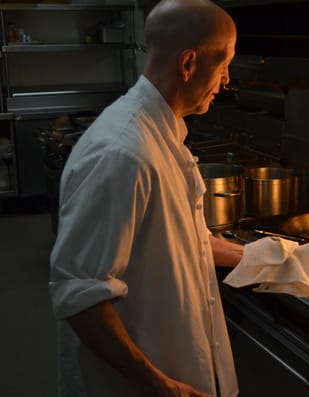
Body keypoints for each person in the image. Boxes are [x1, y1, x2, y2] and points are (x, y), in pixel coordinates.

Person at [48, 0, 243, 396]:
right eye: (223, 65)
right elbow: (80, 295)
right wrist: (159, 385)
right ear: (188, 64)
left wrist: (262, 256)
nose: (226, 80)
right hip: (140, 384)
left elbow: (175, 237)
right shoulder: (124, 153)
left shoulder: (162, 132)